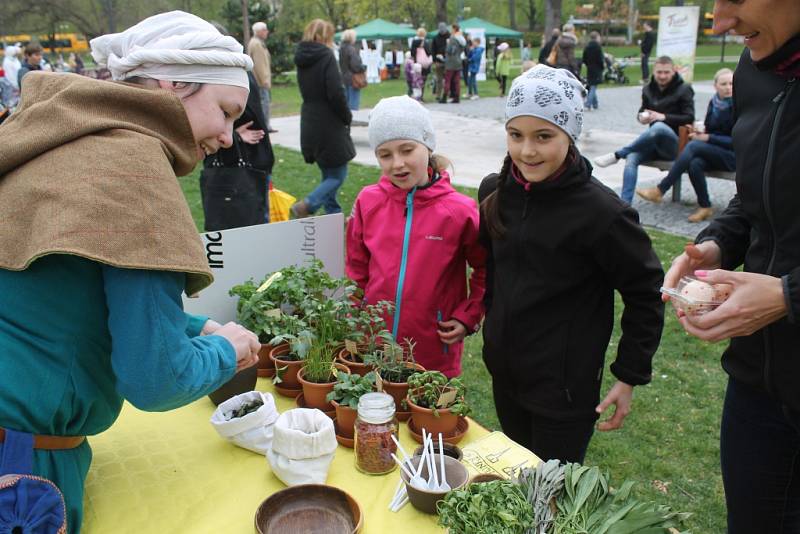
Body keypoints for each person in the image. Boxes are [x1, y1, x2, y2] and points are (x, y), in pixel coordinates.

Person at [0, 11, 261, 533]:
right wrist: (226, 349)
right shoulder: (134, 167)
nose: (229, 136)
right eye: (226, 111)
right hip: (20, 469)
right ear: (176, 83)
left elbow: (67, 288)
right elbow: (156, 379)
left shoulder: (62, 135)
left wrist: (193, 327)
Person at [478, 65, 664, 464]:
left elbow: (645, 291)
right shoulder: (496, 192)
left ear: (570, 134)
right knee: (518, 477)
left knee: (550, 498)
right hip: (506, 376)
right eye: (516, 135)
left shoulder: (603, 214)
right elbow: (494, 266)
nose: (527, 151)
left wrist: (629, 374)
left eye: (544, 136)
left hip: (564, 393)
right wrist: (489, 321)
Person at [663, 1, 800, 531]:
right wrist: (716, 243)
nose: (719, 23)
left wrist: (789, 294)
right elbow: (753, 199)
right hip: (760, 383)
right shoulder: (754, 68)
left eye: (736, 0)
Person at [346, 96, 486, 377]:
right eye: (385, 155)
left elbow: (486, 269)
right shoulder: (368, 202)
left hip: (434, 348)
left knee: (427, 417)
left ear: (427, 145)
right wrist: (352, 318)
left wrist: (469, 314)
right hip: (374, 344)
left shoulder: (459, 210)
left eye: (407, 150)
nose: (397, 163)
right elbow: (356, 269)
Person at [636, 68, 735, 222]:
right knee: (695, 163)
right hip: (716, 152)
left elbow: (737, 141)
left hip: (733, 156)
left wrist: (708, 138)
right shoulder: (715, 103)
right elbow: (711, 128)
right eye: (724, 84)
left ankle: (661, 189)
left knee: (694, 146)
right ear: (715, 86)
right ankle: (705, 206)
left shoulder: (739, 106)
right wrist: (699, 131)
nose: (728, 87)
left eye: (731, 84)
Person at [593, 56, 695, 204]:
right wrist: (641, 117)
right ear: (654, 71)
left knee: (659, 127)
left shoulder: (684, 89)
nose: (662, 76)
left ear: (673, 71)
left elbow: (689, 117)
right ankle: (625, 205)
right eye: (659, 72)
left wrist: (663, 117)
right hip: (654, 143)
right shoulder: (648, 89)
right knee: (632, 158)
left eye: (666, 72)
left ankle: (617, 154)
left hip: (676, 145)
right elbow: (642, 111)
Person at [291, 19, 354, 218]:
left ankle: (332, 214)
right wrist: (346, 115)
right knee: (338, 174)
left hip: (310, 118)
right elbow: (335, 91)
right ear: (324, 36)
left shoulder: (302, 57)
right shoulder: (325, 55)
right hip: (328, 120)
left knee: (328, 171)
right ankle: (308, 204)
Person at [202, 69, 275, 226]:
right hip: (233, 166)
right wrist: (236, 137)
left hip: (251, 164)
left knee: (252, 225)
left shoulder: (238, 74)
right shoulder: (226, 76)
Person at [247, 21, 276, 133]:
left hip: (259, 80)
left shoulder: (257, 42)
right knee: (265, 103)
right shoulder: (257, 44)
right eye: (264, 30)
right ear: (258, 32)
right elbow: (260, 64)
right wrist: (264, 80)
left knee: (264, 102)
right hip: (261, 81)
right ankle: (265, 125)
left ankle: (265, 125)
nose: (267, 32)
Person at [338, 28, 366, 111]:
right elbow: (356, 65)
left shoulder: (341, 49)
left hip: (344, 77)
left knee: (346, 101)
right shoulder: (351, 49)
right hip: (353, 78)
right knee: (353, 102)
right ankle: (353, 120)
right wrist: (363, 67)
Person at [442, 23, 466, 103]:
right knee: (457, 81)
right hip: (458, 61)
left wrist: (447, 44)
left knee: (447, 80)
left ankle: (444, 97)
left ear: (454, 29)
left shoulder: (453, 38)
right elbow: (462, 49)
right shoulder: (462, 39)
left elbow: (449, 50)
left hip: (450, 62)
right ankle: (457, 97)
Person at [582, 31, 604, 110]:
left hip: (590, 68)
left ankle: (595, 103)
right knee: (593, 86)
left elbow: (584, 58)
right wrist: (602, 66)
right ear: (597, 38)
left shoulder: (587, 47)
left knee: (591, 85)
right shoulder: (598, 47)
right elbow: (600, 59)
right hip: (597, 68)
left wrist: (588, 64)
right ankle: (589, 103)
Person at [410, 28, 432, 101]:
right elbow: (429, 52)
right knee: (423, 80)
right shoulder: (426, 42)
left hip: (417, 64)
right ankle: (421, 95)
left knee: (416, 79)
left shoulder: (414, 41)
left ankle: (416, 95)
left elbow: (412, 53)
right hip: (425, 64)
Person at [432, 22, 450, 102]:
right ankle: (438, 95)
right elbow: (433, 50)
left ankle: (447, 93)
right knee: (439, 79)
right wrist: (434, 61)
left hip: (448, 61)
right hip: (438, 61)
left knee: (448, 79)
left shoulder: (450, 37)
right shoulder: (436, 38)